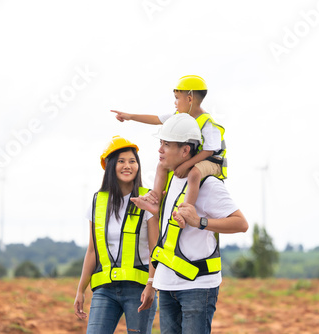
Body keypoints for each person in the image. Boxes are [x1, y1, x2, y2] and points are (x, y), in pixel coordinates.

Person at [131, 114, 248, 334]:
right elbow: (165, 237)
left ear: (185, 151)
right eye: (160, 143)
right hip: (166, 285)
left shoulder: (208, 183)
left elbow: (241, 224)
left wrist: (200, 221)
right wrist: (151, 281)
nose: (160, 150)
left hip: (198, 287)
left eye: (167, 144)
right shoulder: (171, 179)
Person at [73, 135, 158, 334]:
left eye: (132, 161)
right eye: (121, 161)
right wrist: (80, 290)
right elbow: (93, 251)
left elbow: (155, 249)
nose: (127, 166)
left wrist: (151, 286)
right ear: (111, 166)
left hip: (139, 289)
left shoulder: (148, 200)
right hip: (105, 289)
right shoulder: (98, 202)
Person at [111, 75, 227, 214]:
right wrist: (130, 117)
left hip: (213, 161)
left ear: (189, 99)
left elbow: (209, 151)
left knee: (194, 174)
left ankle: (185, 212)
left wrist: (186, 165)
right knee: (161, 165)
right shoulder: (179, 116)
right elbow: (156, 119)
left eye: (177, 98)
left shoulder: (208, 123)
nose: (175, 103)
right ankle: (155, 201)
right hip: (193, 159)